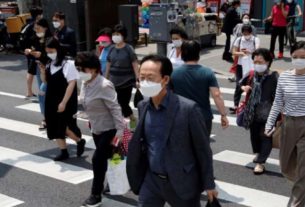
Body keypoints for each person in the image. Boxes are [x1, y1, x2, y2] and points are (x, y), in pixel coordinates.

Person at [127, 54, 218, 207]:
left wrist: (209, 184)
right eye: (141, 78)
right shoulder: (143, 106)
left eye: (150, 78)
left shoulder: (188, 109)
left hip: (181, 181)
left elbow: (203, 149)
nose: (144, 82)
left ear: (165, 79)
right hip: (151, 180)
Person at [75, 52, 125, 207]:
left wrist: (120, 131)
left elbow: (116, 109)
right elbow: (84, 100)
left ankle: (95, 195)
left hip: (110, 129)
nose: (80, 73)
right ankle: (115, 182)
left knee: (97, 159)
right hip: (96, 127)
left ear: (94, 69)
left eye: (82, 69)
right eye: (78, 69)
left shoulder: (104, 85)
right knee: (110, 157)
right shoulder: (85, 83)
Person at [265, 41, 305, 207]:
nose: (299, 60)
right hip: (288, 124)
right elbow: (278, 102)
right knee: (286, 166)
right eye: (295, 56)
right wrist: (270, 123)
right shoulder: (285, 77)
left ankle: (296, 203)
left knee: (303, 170)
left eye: (303, 57)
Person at [40, 37, 86, 161]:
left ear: (58, 49)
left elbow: (72, 84)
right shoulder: (49, 64)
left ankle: (79, 141)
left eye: (51, 51)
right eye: (47, 52)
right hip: (51, 98)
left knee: (63, 126)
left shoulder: (68, 64)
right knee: (53, 125)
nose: (49, 54)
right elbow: (46, 81)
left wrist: (64, 102)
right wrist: (43, 72)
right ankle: (63, 151)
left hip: (65, 99)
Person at [171, 40, 229, 136]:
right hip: (202, 116)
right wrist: (223, 115)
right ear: (198, 53)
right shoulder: (207, 72)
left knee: (183, 147)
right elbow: (216, 95)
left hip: (180, 116)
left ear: (182, 53)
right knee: (202, 147)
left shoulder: (174, 73)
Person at [240, 48, 278, 174]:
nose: (257, 64)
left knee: (266, 137)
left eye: (260, 62)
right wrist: (244, 87)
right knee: (254, 136)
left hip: (268, 113)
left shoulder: (274, 77)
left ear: (268, 62)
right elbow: (240, 84)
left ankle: (261, 162)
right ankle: (258, 154)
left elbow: (279, 96)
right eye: (255, 61)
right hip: (252, 112)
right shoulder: (251, 74)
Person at [105, 24, 139, 130]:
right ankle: (121, 126)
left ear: (123, 36)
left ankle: (131, 121)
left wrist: (138, 78)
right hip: (113, 81)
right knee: (115, 105)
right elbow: (108, 64)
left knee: (123, 104)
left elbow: (134, 63)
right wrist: (105, 79)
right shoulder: (111, 49)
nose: (115, 36)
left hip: (126, 82)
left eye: (118, 34)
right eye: (114, 34)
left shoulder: (129, 48)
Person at [24, 18, 52, 130]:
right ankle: (45, 118)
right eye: (35, 29)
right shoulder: (35, 38)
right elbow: (32, 51)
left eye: (38, 28)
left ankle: (53, 119)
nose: (36, 31)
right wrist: (30, 52)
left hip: (50, 69)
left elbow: (54, 56)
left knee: (48, 93)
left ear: (45, 27)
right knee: (42, 93)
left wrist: (41, 55)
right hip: (39, 68)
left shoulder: (51, 39)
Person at [230, 25, 260, 113]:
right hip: (240, 64)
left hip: (252, 65)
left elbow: (257, 52)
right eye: (244, 32)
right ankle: (235, 105)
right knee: (238, 83)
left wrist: (249, 52)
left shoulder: (255, 39)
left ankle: (250, 104)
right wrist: (242, 53)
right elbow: (234, 52)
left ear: (251, 32)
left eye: (247, 32)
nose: (246, 34)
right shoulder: (239, 39)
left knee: (252, 85)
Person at [22, 6, 43, 99]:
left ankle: (29, 91)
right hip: (34, 50)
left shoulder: (27, 23)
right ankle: (30, 92)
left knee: (31, 71)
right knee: (33, 71)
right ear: (38, 15)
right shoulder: (35, 24)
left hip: (28, 50)